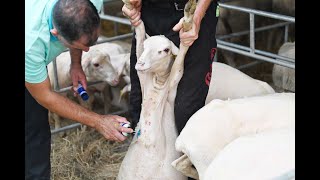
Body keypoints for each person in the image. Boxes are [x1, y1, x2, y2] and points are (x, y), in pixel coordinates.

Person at [25, 0, 133, 179]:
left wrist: (76, 64)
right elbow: (45, 96)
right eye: (81, 47)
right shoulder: (31, 44)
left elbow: (81, 32)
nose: (88, 49)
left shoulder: (90, 4)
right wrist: (99, 121)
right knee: (33, 125)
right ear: (55, 33)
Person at [122, 0, 219, 134]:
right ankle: (144, 149)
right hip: (150, 12)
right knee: (139, 104)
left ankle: (184, 151)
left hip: (192, 13)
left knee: (185, 112)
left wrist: (197, 16)